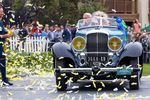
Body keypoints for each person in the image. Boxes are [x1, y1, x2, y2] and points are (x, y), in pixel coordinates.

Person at [0, 5, 13, 85]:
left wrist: (9, 33)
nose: (3, 13)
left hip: (1, 45)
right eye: (1, 12)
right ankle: (4, 79)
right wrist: (5, 36)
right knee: (2, 60)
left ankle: (4, 79)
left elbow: (4, 33)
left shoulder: (1, 22)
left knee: (3, 61)